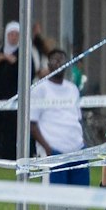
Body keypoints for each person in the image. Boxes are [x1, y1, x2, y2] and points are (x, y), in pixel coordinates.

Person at [30, 48, 88, 186]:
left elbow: (78, 119)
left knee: (80, 199)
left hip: (77, 150)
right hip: (53, 152)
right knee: (54, 202)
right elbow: (32, 124)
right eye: (55, 60)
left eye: (62, 60)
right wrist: (48, 150)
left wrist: (83, 144)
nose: (59, 63)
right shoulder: (39, 89)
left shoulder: (73, 89)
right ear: (48, 64)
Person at [0, 22, 23, 160]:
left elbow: (28, 74)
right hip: (1, 97)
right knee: (1, 127)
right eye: (10, 34)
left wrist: (15, 62)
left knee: (15, 127)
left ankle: (16, 155)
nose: (13, 37)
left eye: (16, 35)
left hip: (18, 97)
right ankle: (1, 155)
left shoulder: (23, 54)